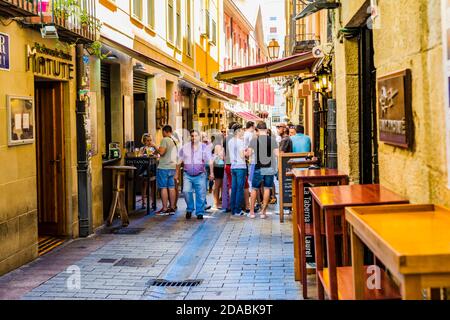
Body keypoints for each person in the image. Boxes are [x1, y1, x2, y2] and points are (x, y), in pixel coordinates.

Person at [176, 130, 214, 220]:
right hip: (187, 174)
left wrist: (212, 173)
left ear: (199, 137)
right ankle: (190, 208)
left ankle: (199, 212)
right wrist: (176, 174)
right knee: (186, 192)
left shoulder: (204, 147)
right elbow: (179, 161)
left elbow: (210, 160)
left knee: (200, 194)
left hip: (200, 175)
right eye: (192, 136)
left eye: (196, 136)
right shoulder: (185, 147)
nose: (194, 138)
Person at [248, 121, 279, 219]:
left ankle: (252, 212)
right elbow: (277, 154)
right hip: (269, 167)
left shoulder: (254, 140)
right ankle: (263, 212)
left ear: (257, 130)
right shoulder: (272, 140)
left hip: (258, 167)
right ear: (266, 129)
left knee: (254, 188)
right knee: (267, 188)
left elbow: (248, 153)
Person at [151, 125, 178, 216]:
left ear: (165, 132)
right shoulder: (174, 141)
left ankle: (165, 208)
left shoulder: (165, 140)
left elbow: (162, 152)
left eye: (162, 132)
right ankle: (172, 207)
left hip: (164, 167)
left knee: (163, 188)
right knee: (171, 187)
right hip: (172, 167)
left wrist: (155, 146)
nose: (162, 134)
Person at [228, 123, 247, 216]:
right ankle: (238, 210)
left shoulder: (230, 141)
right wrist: (248, 153)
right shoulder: (240, 142)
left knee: (234, 188)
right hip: (240, 166)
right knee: (240, 189)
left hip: (233, 166)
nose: (243, 131)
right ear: (238, 131)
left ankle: (233, 209)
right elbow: (242, 155)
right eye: (242, 129)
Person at [139, 133, 156, 209]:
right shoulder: (142, 149)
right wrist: (143, 153)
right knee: (144, 184)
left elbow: (157, 156)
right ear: (144, 141)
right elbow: (139, 156)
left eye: (150, 140)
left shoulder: (153, 148)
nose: (149, 142)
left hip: (152, 167)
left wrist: (154, 151)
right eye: (147, 141)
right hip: (144, 168)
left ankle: (153, 202)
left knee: (152, 185)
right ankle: (143, 202)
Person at [211, 138, 225, 211]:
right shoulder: (218, 146)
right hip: (219, 167)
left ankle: (218, 202)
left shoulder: (218, 146)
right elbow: (221, 157)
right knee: (217, 185)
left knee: (219, 185)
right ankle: (216, 203)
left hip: (219, 167)